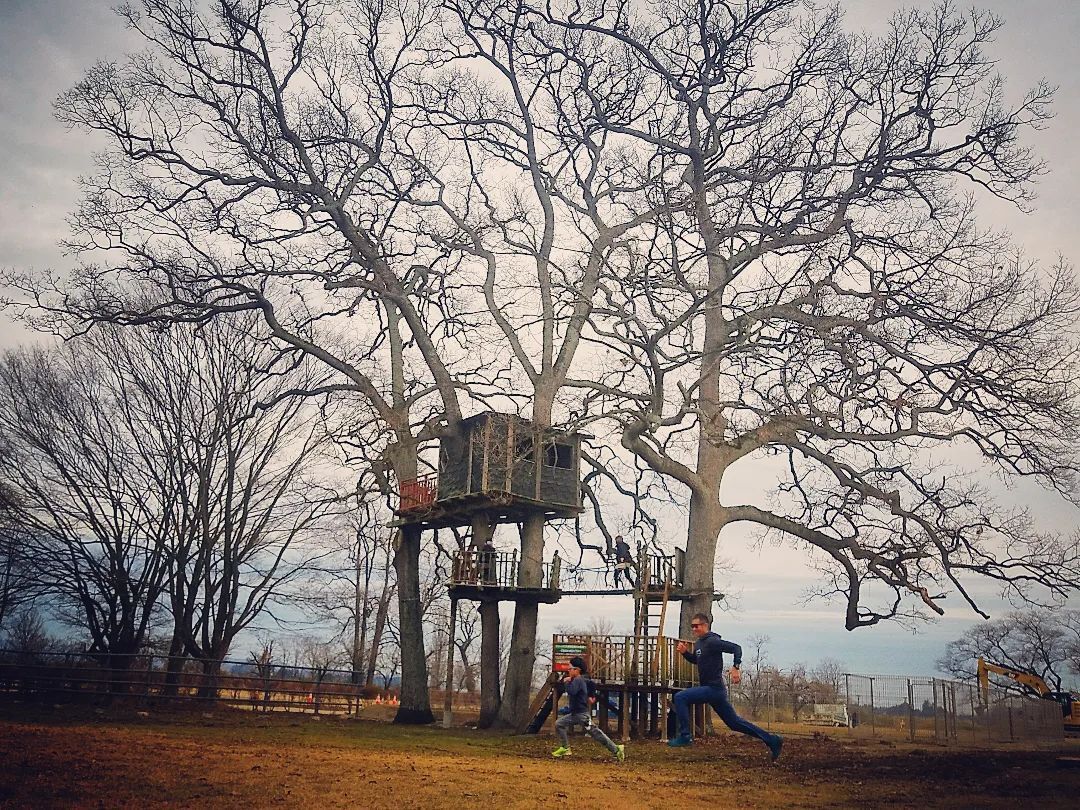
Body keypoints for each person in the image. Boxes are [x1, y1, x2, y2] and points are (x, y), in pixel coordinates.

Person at [668, 612, 782, 762]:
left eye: (696, 626)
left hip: (714, 689)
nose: (694, 629)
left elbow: (736, 648)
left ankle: (685, 736)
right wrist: (685, 653)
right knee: (734, 723)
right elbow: (697, 660)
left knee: (680, 697)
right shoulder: (699, 644)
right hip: (712, 691)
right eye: (692, 626)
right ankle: (772, 740)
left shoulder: (712, 641)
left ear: (705, 625)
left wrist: (736, 667)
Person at [551, 659, 625, 762]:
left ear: (577, 670)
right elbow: (591, 684)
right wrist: (591, 694)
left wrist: (566, 682)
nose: (568, 671)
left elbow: (572, 691)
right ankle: (565, 747)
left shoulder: (578, 680)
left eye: (570, 669)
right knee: (559, 724)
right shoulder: (579, 679)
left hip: (582, 715)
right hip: (575, 714)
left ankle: (616, 749)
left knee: (595, 733)